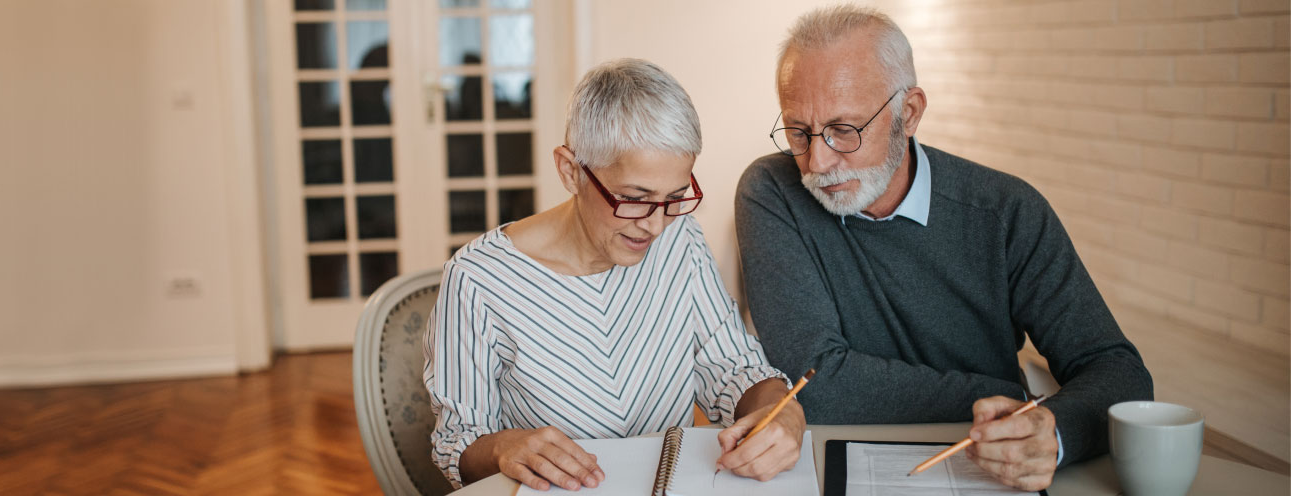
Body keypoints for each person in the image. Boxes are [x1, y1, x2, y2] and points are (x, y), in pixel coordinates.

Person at [735, 5, 1154, 492]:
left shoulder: (1007, 212)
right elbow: (814, 384)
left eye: (844, 130)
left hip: (989, 474)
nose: (817, 161)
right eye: (798, 131)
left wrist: (1052, 431)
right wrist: (1003, 392)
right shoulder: (772, 191)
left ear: (908, 114)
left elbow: (1119, 373)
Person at [424, 58, 806, 491]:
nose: (655, 225)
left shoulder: (679, 240)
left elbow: (733, 366)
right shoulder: (477, 280)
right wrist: (500, 449)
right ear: (571, 170)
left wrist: (780, 407)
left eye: (675, 197)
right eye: (634, 198)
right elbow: (456, 443)